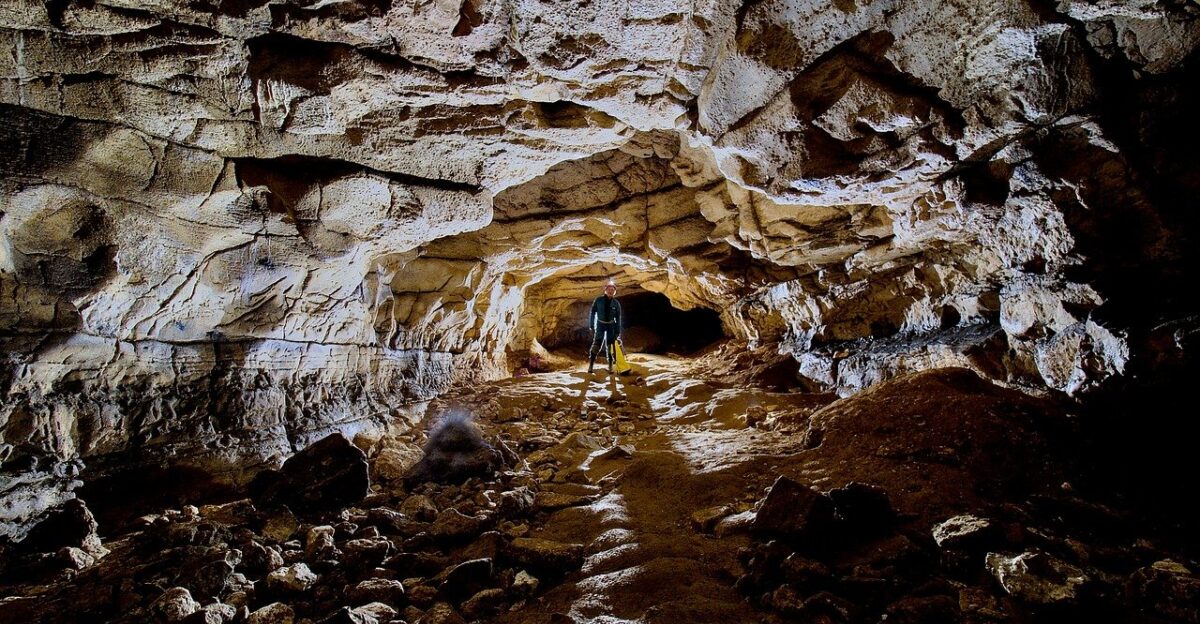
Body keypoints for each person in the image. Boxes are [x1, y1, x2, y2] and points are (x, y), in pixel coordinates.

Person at [588, 281, 622, 375]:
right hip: (600, 324)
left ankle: (610, 366)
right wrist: (591, 325)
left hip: (611, 325)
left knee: (610, 346)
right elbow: (593, 312)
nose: (611, 291)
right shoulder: (598, 300)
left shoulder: (616, 303)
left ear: (615, 291)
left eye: (612, 290)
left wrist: (618, 331)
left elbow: (618, 318)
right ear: (605, 290)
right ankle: (591, 365)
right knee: (597, 344)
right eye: (609, 289)